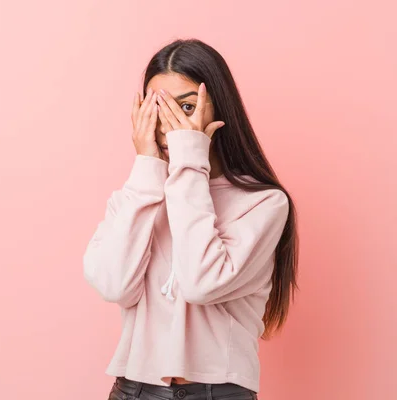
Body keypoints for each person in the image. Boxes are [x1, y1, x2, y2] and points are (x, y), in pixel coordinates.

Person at [83, 38, 299, 400]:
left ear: (219, 108)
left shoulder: (264, 203)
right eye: (157, 108)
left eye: (185, 106)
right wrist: (147, 169)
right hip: (132, 391)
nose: (169, 125)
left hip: (218, 393)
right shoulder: (136, 195)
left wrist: (189, 159)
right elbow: (114, 286)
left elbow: (202, 283)